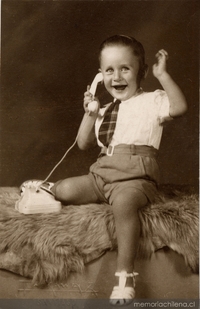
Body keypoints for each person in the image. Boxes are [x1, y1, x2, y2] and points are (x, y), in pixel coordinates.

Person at [50, 35, 187, 305]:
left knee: (124, 204)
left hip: (134, 177)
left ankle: (125, 276)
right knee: (63, 189)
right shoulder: (103, 110)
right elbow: (82, 144)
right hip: (102, 174)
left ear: (142, 72)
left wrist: (163, 76)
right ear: (100, 76)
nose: (117, 76)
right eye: (109, 70)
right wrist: (90, 112)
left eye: (125, 68)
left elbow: (180, 107)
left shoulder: (153, 100)